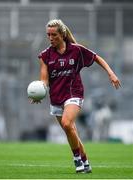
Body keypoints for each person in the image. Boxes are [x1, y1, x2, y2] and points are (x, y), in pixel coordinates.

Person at [30, 19, 121, 173]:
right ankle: (86, 162)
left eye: (54, 35)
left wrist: (111, 73)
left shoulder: (76, 50)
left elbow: (97, 58)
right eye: (48, 35)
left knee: (67, 123)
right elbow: (44, 80)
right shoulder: (45, 55)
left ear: (62, 34)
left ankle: (77, 159)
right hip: (56, 97)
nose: (51, 38)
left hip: (74, 93)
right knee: (71, 130)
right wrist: (38, 92)